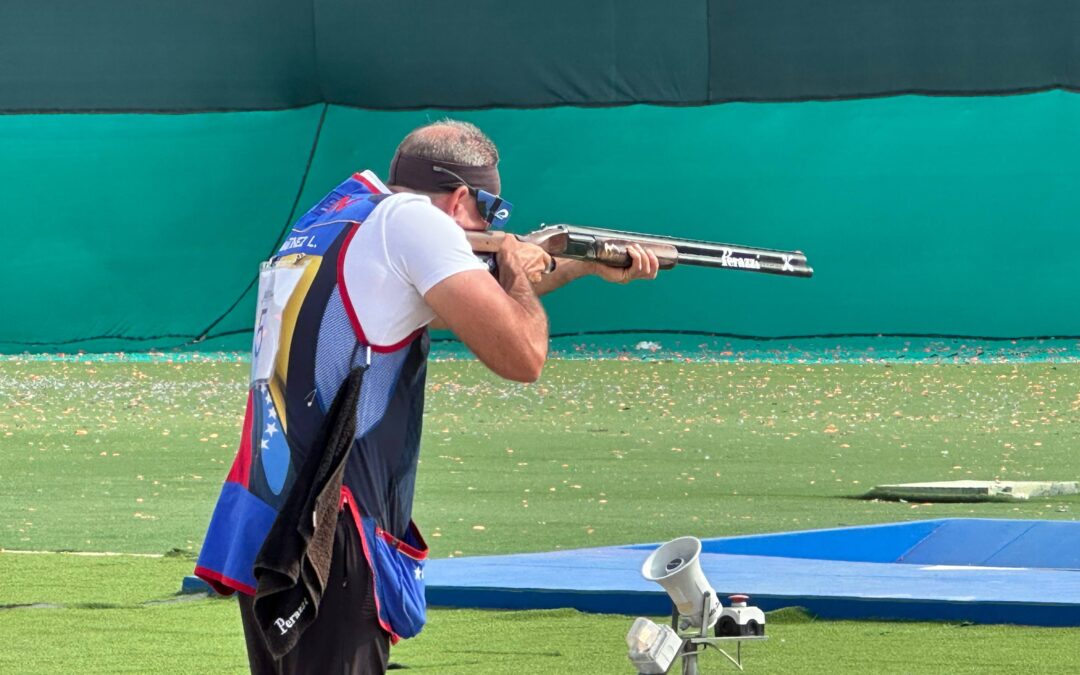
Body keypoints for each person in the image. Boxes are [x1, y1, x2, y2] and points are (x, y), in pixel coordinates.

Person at [194, 119, 659, 674]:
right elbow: (523, 356)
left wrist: (582, 264)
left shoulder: (341, 214)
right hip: (332, 524)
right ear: (461, 198)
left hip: (275, 510)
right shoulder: (417, 222)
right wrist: (514, 269)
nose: (492, 228)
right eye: (492, 212)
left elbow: (466, 301)